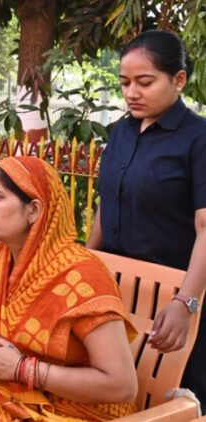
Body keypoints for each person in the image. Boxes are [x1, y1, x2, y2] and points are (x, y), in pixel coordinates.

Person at [0, 156, 138, 421]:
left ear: (34, 210)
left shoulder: (81, 277)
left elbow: (121, 385)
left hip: (71, 410)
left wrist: (21, 369)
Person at [87, 30, 206, 403]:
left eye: (145, 82)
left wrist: (186, 303)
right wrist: (86, 265)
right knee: (122, 389)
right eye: (125, 83)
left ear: (179, 79)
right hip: (119, 289)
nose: (131, 93)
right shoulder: (120, 133)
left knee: (176, 398)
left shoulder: (198, 139)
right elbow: (107, 204)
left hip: (174, 293)